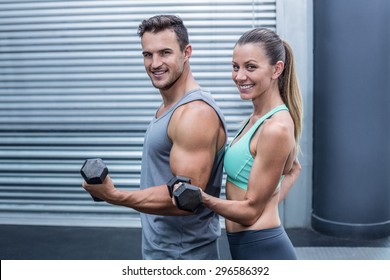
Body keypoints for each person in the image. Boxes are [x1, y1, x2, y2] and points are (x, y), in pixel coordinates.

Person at [82, 15, 227, 260]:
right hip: (165, 250)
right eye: (147, 54)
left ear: (186, 52)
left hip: (183, 256)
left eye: (165, 53)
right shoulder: (169, 107)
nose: (155, 63)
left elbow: (186, 198)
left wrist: (115, 196)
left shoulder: (195, 114)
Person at [175, 27, 303, 260]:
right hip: (248, 243)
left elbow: (250, 212)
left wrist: (201, 198)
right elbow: (293, 168)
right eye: (236, 67)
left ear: (277, 69)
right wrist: (269, 201)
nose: (239, 76)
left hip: (263, 248)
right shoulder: (256, 119)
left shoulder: (276, 128)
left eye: (250, 67)